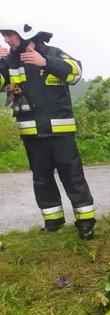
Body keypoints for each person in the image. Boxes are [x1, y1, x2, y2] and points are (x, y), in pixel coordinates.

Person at [0, 16, 96, 239]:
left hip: (60, 133)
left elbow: (76, 73)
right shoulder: (9, 62)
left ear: (24, 33)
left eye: (9, 34)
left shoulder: (53, 53)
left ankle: (85, 221)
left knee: (73, 177)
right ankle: (53, 220)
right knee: (41, 179)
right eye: (4, 36)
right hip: (31, 134)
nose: (6, 40)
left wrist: (45, 63)